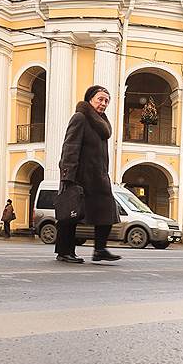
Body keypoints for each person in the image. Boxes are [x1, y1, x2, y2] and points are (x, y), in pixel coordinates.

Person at [55, 85, 121, 264]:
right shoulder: (80, 118)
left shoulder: (102, 123)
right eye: (100, 99)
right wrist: (67, 174)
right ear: (90, 99)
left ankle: (100, 249)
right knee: (71, 214)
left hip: (99, 176)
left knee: (108, 210)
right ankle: (64, 252)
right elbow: (70, 146)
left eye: (106, 100)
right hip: (79, 176)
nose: (103, 103)